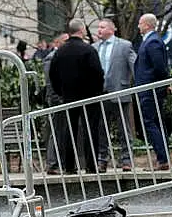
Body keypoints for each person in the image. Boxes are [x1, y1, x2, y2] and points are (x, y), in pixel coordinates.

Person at [49, 19, 104, 174]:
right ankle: (91, 165)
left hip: (69, 96)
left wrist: (61, 91)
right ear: (81, 31)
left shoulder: (60, 51)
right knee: (90, 130)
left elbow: (53, 74)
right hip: (89, 96)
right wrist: (97, 91)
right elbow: (97, 73)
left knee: (69, 130)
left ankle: (69, 166)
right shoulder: (88, 50)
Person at [92, 19, 137, 172]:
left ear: (111, 29)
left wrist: (133, 85)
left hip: (119, 91)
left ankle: (126, 160)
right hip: (100, 94)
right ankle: (102, 160)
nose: (99, 30)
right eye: (98, 27)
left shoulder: (124, 46)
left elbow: (134, 67)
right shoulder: (94, 47)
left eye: (102, 27)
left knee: (124, 128)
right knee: (101, 129)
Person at [135, 13, 170, 171]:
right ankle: (162, 158)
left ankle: (162, 159)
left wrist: (161, 85)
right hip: (150, 89)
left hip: (150, 90)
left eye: (140, 23)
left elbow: (159, 67)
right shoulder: (150, 41)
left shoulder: (153, 41)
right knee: (155, 122)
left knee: (151, 122)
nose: (138, 26)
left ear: (147, 25)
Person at [43, 33, 68, 175]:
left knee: (62, 131)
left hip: (62, 98)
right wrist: (56, 99)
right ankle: (52, 164)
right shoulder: (51, 58)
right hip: (56, 100)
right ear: (57, 43)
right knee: (56, 131)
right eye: (64, 41)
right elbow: (50, 82)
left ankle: (60, 162)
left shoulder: (61, 57)